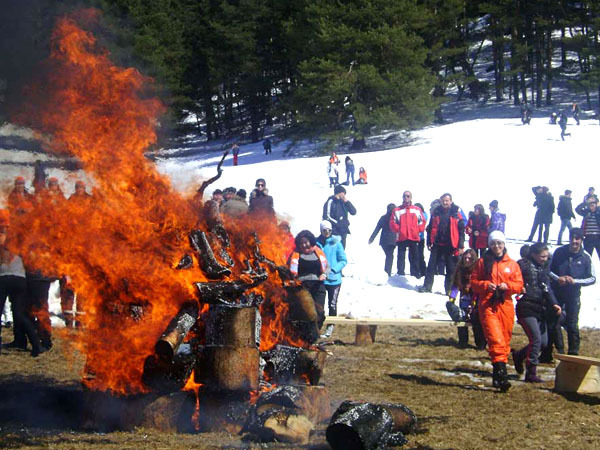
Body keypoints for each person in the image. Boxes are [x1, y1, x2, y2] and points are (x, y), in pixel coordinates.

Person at [471, 231, 523, 392]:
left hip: (505, 304)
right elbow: (474, 282)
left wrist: (508, 286)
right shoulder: (482, 262)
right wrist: (486, 285)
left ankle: (496, 375)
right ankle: (502, 376)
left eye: (499, 243)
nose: (496, 246)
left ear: (504, 244)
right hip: (488, 304)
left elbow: (519, 285)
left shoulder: (512, 264)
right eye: (493, 243)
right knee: (495, 339)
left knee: (505, 340)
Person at [512, 243, 562, 382]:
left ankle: (519, 355)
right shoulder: (522, 265)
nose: (545, 259)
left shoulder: (544, 268)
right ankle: (531, 372)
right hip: (526, 306)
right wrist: (519, 287)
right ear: (533, 254)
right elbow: (512, 278)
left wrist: (554, 303)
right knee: (536, 339)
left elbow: (547, 288)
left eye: (546, 256)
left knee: (543, 342)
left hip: (540, 307)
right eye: (542, 256)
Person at [0, 210, 42, 356]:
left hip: (4, 278)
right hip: (20, 279)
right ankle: (36, 345)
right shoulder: (20, 239)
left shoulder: (4, 238)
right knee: (19, 314)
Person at [549, 228, 596, 355]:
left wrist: (575, 281)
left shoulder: (586, 256)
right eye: (572, 238)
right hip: (557, 293)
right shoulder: (559, 252)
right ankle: (552, 351)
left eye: (577, 239)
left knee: (572, 324)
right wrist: (558, 278)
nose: (574, 241)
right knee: (553, 321)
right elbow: (548, 270)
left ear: (581, 240)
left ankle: (573, 353)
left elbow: (592, 278)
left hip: (573, 295)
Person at [421, 193, 465, 294]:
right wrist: (429, 241)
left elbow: (461, 231)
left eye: (447, 201)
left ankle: (448, 289)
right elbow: (430, 227)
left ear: (451, 201)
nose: (445, 203)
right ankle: (427, 286)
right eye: (443, 201)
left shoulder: (456, 212)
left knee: (450, 268)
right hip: (437, 244)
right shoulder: (436, 212)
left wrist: (460, 246)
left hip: (451, 244)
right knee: (431, 267)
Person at [288, 230, 329, 329]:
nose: (304, 245)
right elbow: (289, 270)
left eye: (306, 242)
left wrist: (324, 274)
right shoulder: (295, 255)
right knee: (307, 313)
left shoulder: (318, 253)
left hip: (318, 286)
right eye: (301, 243)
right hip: (303, 287)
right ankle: (305, 335)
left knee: (319, 312)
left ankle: (316, 332)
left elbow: (327, 267)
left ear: (310, 241)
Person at [446, 249, 486, 349]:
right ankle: (463, 342)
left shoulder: (477, 270)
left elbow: (479, 287)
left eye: (470, 258)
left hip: (476, 299)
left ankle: (480, 343)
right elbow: (455, 285)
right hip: (464, 298)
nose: (467, 260)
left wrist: (474, 302)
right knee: (461, 320)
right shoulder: (460, 270)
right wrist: (452, 298)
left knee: (476, 321)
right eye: (465, 258)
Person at [317, 220, 347, 338]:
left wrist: (333, 269)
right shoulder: (316, 243)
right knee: (319, 305)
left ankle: (330, 327)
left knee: (332, 304)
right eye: (324, 230)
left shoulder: (336, 243)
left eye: (329, 230)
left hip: (334, 280)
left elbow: (343, 260)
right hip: (321, 279)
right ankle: (317, 327)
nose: (327, 233)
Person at [389, 192, 426, 278]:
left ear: (411, 197)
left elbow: (422, 221)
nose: (406, 198)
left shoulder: (416, 209)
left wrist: (418, 230)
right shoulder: (397, 210)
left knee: (414, 256)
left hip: (413, 237)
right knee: (401, 256)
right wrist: (399, 229)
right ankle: (400, 274)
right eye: (404, 196)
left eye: (408, 196)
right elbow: (392, 222)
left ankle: (415, 274)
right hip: (402, 237)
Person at [322, 185, 357, 249]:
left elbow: (353, 212)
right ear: (339, 193)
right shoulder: (330, 201)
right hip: (334, 231)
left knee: (341, 250)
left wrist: (347, 202)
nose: (344, 195)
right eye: (343, 193)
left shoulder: (343, 202)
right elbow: (326, 216)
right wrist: (338, 223)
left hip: (343, 230)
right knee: (333, 249)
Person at [368, 203, 398, 277]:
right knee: (390, 256)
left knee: (388, 255)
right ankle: (387, 272)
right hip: (392, 240)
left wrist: (372, 238)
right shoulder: (396, 218)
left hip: (384, 240)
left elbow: (377, 228)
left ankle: (387, 271)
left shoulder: (383, 218)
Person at [575, 196, 600, 261]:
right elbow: (577, 209)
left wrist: (598, 207)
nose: (592, 206)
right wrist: (585, 202)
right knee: (587, 257)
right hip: (588, 238)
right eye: (590, 205)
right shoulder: (586, 212)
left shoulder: (598, 212)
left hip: (598, 237)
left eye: (593, 204)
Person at [414, 202, 428, 277]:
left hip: (420, 237)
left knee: (419, 255)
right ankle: (417, 270)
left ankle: (422, 270)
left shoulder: (423, 215)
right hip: (416, 237)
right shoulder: (423, 215)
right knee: (415, 255)